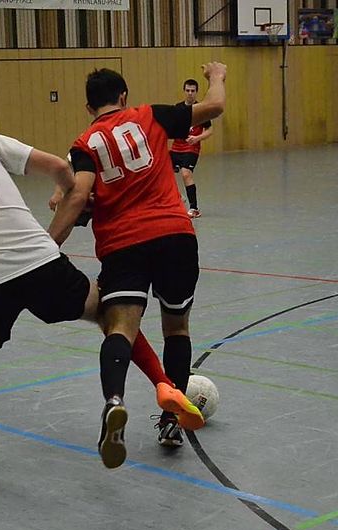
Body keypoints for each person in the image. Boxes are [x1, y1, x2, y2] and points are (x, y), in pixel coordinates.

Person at [0, 101, 199, 476]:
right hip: (39, 261)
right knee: (110, 315)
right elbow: (58, 167)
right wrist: (71, 192)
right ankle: (164, 385)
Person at [48, 63, 226, 460]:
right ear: (124, 97)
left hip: (123, 243)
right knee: (176, 327)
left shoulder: (84, 144)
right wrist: (217, 75)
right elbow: (214, 106)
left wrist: (46, 245)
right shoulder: (152, 115)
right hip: (175, 236)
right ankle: (171, 421)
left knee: (120, 328)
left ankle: (114, 401)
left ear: (88, 107)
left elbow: (77, 197)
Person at [170, 79, 214, 219]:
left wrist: (197, 138)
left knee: (185, 173)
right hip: (176, 147)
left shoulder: (201, 110)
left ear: (196, 92)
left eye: (192, 91)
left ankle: (194, 208)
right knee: (160, 170)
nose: (190, 93)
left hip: (191, 149)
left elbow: (210, 130)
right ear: (184, 91)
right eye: (187, 90)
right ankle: (177, 196)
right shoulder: (178, 108)